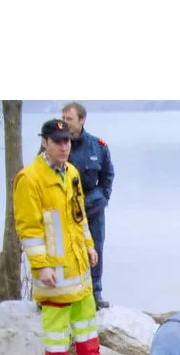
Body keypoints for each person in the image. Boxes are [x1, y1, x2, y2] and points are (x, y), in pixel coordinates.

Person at [13, 119, 120, 355]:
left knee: (85, 313)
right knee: (56, 321)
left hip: (76, 261)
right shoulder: (30, 178)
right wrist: (40, 266)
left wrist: (89, 245)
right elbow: (29, 228)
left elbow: (78, 216)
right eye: (58, 141)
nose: (64, 146)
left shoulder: (71, 171)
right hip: (53, 267)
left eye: (67, 141)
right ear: (44, 142)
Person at [62, 102, 115, 310]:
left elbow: (108, 175)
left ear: (82, 120)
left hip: (92, 207)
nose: (65, 123)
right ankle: (66, 292)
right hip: (65, 207)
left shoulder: (97, 146)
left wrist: (103, 197)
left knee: (96, 248)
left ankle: (96, 292)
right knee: (65, 250)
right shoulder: (57, 143)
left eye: (70, 119)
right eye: (63, 118)